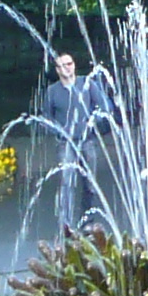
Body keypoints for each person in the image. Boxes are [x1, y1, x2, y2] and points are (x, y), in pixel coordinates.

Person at [35, 50, 110, 228]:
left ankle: (87, 222)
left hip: (87, 141)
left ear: (74, 65)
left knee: (89, 184)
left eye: (68, 64)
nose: (66, 68)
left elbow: (103, 107)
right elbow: (46, 117)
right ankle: (66, 224)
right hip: (65, 143)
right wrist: (59, 130)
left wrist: (91, 124)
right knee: (66, 183)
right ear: (57, 70)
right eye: (61, 66)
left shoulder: (87, 84)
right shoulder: (52, 91)